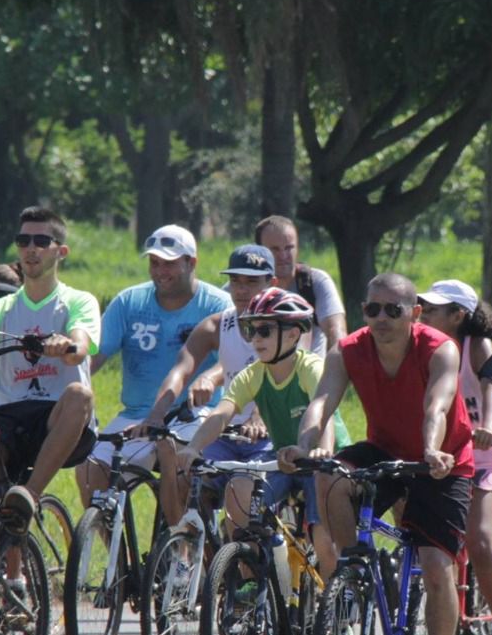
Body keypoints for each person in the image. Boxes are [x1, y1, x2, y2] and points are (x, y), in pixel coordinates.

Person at [289, 272, 475, 635]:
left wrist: (431, 449)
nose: (382, 318)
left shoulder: (439, 348)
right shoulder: (348, 350)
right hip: (386, 449)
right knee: (331, 477)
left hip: (441, 460)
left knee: (436, 566)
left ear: (415, 314)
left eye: (394, 310)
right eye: (373, 309)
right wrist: (304, 445)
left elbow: (437, 405)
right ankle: (354, 571)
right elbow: (321, 402)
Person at [0, 207, 98, 543]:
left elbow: (81, 346)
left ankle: (30, 495)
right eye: (23, 240)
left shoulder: (77, 301)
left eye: (41, 241)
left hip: (57, 418)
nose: (31, 248)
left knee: (80, 395)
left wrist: (66, 345)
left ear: (61, 251)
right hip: (9, 419)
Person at [178, 288, 347, 574]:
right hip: (283, 457)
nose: (255, 339)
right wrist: (194, 447)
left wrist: (323, 450)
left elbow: (322, 414)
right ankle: (249, 581)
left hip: (322, 460)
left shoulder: (310, 367)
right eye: (250, 330)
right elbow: (221, 414)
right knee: (238, 489)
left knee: (323, 541)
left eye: (264, 331)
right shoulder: (254, 374)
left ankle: (334, 596)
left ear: (293, 334)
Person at [418, 278, 492, 635]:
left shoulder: (477, 347)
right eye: (422, 307)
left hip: (486, 460)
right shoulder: (423, 348)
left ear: (458, 315)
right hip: (445, 460)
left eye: (433, 309)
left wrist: (489, 425)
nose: (424, 314)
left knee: (480, 539)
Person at [80, 224, 230, 502]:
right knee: (90, 468)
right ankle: (105, 528)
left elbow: (233, 359)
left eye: (169, 263)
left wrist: (209, 378)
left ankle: (181, 530)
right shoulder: (129, 302)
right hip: (136, 416)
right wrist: (69, 386)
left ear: (192, 263)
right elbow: (94, 357)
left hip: (193, 414)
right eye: (154, 263)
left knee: (179, 462)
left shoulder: (218, 305)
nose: (160, 271)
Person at [143, 244, 277, 527]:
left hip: (269, 437)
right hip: (225, 433)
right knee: (183, 476)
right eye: (236, 281)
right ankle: (192, 547)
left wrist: (260, 416)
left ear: (272, 283)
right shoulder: (217, 325)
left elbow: (279, 377)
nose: (242, 290)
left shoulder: (285, 328)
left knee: (238, 502)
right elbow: (181, 370)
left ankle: (240, 552)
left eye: (252, 282)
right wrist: (156, 414)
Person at [254, 215, 346, 354]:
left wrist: (336, 362)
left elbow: (336, 331)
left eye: (289, 248)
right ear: (258, 252)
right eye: (275, 249)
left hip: (312, 366)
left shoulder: (315, 282)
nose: (283, 256)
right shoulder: (242, 289)